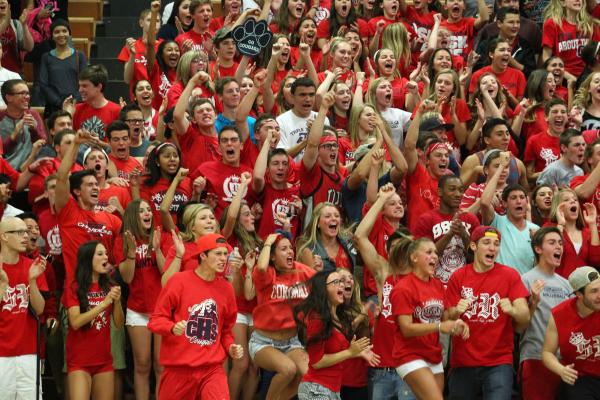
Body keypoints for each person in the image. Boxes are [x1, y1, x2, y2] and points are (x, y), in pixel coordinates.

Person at [148, 233, 243, 399]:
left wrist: (231, 347)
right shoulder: (178, 281)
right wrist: (171, 327)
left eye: (225, 254)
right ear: (203, 255)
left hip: (212, 369)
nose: (223, 259)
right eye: (218, 254)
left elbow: (226, 330)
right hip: (179, 369)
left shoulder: (227, 289)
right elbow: (155, 321)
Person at [446, 226, 530, 400]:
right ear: (473, 246)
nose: (493, 248)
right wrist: (456, 311)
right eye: (487, 243)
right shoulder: (458, 276)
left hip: (499, 361)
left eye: (496, 244)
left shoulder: (510, 275)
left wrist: (513, 310)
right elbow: (446, 318)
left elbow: (525, 315)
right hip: (463, 361)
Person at [393, 238, 470, 400]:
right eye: (428, 252)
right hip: (409, 354)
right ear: (414, 258)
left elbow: (445, 317)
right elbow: (406, 329)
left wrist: (457, 318)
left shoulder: (437, 285)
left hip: (433, 354)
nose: (435, 256)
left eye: (435, 252)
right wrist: (440, 326)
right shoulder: (403, 288)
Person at [249, 233, 314, 400]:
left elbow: (323, 280)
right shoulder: (266, 274)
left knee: (308, 374)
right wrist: (268, 242)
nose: (290, 252)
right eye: (283, 249)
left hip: (292, 342)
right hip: (263, 342)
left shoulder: (300, 270)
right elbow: (261, 267)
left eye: (291, 248)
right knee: (288, 369)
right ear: (272, 257)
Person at [294, 269, 377, 400]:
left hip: (332, 390)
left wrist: (357, 352)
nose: (342, 285)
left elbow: (336, 351)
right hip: (316, 390)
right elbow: (317, 362)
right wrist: (350, 352)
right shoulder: (317, 318)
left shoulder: (337, 318)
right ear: (324, 289)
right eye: (336, 282)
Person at [54, 130, 122, 285]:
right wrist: (76, 144)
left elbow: (128, 245)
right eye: (90, 185)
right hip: (77, 290)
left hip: (106, 289)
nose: (96, 188)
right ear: (77, 191)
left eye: (96, 185)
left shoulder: (111, 219)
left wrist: (116, 265)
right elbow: (62, 177)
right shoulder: (68, 211)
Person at [115, 200, 164, 399]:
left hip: (162, 310)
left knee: (161, 365)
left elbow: (166, 273)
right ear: (133, 216)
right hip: (137, 310)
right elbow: (127, 278)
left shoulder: (161, 236)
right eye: (142, 211)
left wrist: (158, 249)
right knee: (142, 365)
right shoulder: (123, 241)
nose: (148, 214)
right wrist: (131, 254)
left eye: (149, 210)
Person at [64, 241, 124, 400]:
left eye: (105, 253)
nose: (106, 257)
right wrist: (104, 304)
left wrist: (117, 302)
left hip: (103, 360)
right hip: (79, 361)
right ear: (87, 259)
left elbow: (118, 324)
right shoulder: (73, 287)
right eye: (100, 254)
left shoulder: (110, 285)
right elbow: (75, 322)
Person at [519, 227, 573, 400]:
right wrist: (533, 302)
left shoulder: (567, 284)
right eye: (552, 243)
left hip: (564, 362)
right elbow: (518, 327)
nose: (559, 247)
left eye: (560, 243)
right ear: (538, 249)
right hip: (535, 357)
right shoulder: (525, 279)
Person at [0, 217, 47, 400]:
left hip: (28, 352)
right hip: (1, 354)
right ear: (4, 236)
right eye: (19, 232)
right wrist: (3, 286)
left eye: (26, 232)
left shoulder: (32, 267)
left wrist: (32, 281)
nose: (26, 236)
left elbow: (40, 309)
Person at [542, 266, 600, 399]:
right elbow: (547, 352)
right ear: (579, 295)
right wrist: (561, 370)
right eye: (594, 291)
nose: (599, 295)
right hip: (578, 378)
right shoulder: (559, 314)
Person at [414, 175, 480, 284]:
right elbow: (424, 258)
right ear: (440, 192)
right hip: (434, 284)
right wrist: (450, 234)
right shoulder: (426, 219)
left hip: (465, 284)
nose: (458, 194)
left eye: (461, 190)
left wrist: (464, 235)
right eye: (452, 189)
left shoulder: (471, 219)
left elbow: (477, 258)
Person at [481, 155, 540, 274]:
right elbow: (484, 203)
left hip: (524, 288)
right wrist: (502, 166)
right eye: (513, 198)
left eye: (522, 197)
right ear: (504, 203)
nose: (519, 201)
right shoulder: (496, 222)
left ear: (527, 202)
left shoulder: (535, 230)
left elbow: (540, 266)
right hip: (500, 286)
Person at [191, 126, 253, 219]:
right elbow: (191, 208)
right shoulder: (205, 169)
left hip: (244, 230)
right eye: (224, 140)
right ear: (219, 148)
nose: (229, 143)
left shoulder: (250, 173)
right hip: (217, 229)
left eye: (234, 140)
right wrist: (196, 194)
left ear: (241, 145)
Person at [545, 189, 600, 279]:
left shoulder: (587, 232)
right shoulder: (548, 228)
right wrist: (561, 224)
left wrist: (592, 223)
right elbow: (551, 255)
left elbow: (596, 261)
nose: (572, 201)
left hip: (583, 289)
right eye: (566, 200)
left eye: (575, 199)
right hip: (558, 287)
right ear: (557, 206)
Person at [39, 19, 87, 117]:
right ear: (52, 36)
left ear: (69, 34)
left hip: (76, 106)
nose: (61, 34)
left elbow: (85, 81)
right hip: (53, 107)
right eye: (57, 32)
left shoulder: (80, 55)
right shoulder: (46, 57)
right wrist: (60, 102)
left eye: (64, 31)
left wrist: (73, 101)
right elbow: (43, 84)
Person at [64, 65, 121, 141]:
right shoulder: (75, 109)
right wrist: (67, 115)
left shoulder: (116, 111)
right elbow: (67, 141)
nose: (80, 90)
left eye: (84, 86)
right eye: (80, 86)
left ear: (99, 87)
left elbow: (118, 146)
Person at [0, 78, 47, 169]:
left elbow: (43, 144)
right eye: (22, 93)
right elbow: (2, 152)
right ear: (9, 97)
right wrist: (14, 135)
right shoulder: (1, 118)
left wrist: (34, 130)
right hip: (7, 169)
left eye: (28, 93)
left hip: (31, 166)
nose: (27, 96)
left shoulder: (33, 114)